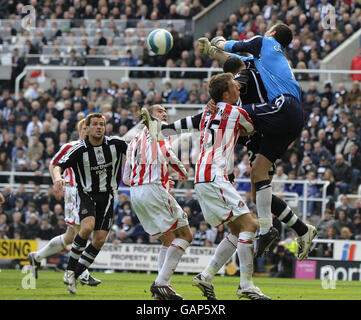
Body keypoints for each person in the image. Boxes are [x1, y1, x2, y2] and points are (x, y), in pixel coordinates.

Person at [142, 73, 270, 300]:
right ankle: (246, 284)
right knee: (250, 224)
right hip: (215, 176)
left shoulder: (206, 115)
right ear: (226, 93)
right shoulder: (236, 112)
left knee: (236, 230)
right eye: (234, 86)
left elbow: (187, 124)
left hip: (203, 177)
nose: (238, 88)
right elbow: (251, 129)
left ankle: (206, 276)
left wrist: (164, 128)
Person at [205, 23, 317, 257]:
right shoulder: (267, 60)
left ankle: (265, 226)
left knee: (233, 116)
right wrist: (215, 53)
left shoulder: (263, 43)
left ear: (273, 33)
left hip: (281, 108)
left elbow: (233, 47)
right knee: (258, 174)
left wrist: (216, 42)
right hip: (288, 118)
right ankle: (301, 230)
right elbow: (235, 56)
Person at [53, 113, 128, 294]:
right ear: (87, 128)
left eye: (101, 124)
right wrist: (57, 178)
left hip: (108, 196)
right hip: (87, 194)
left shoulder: (116, 145)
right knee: (87, 227)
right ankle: (70, 270)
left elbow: (136, 150)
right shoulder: (79, 150)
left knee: (99, 240)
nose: (99, 127)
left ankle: (74, 275)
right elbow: (58, 165)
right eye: (95, 124)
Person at [122, 104, 191, 300]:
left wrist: (156, 178)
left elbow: (126, 177)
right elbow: (168, 153)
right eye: (160, 112)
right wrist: (182, 172)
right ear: (151, 117)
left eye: (165, 111)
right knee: (185, 235)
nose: (165, 114)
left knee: (168, 240)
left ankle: (162, 291)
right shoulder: (159, 132)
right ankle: (161, 283)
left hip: (135, 193)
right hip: (152, 189)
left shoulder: (133, 141)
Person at [27, 119, 100, 286]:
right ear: (82, 130)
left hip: (87, 194)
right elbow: (54, 163)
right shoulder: (70, 146)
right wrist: (57, 181)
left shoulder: (95, 149)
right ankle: (82, 273)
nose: (88, 131)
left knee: (70, 236)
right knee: (80, 232)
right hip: (73, 192)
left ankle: (36, 257)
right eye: (85, 128)